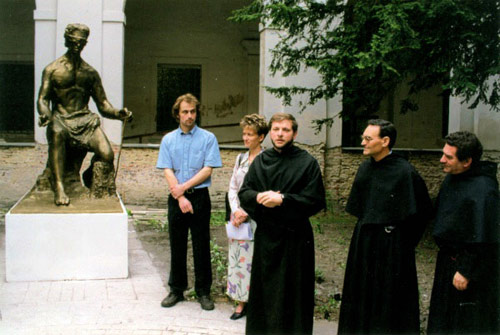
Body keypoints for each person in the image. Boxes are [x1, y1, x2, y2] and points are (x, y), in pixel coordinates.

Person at [338, 119, 432, 335]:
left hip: (392, 248)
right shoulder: (364, 168)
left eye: (368, 139)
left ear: (385, 141)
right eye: (363, 137)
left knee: (388, 303)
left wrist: (400, 242)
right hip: (363, 244)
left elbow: (421, 214)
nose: (362, 142)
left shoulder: (405, 172)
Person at [238, 112, 326, 335]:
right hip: (267, 236)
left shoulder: (307, 163)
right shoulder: (261, 161)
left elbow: (315, 200)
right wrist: (258, 197)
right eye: (276, 129)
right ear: (270, 133)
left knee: (294, 292)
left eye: (285, 130)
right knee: (266, 291)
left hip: (296, 238)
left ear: (294, 133)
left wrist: (283, 200)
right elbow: (245, 192)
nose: (280, 134)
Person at [37, 23, 132, 205]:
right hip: (61, 119)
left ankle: (88, 177)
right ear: (66, 40)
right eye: (74, 40)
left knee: (106, 154)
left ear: (85, 43)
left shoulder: (90, 73)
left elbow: (103, 104)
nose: (77, 45)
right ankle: (59, 187)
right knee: (55, 132)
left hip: (85, 121)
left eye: (81, 42)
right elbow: (42, 99)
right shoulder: (52, 69)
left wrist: (118, 113)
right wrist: (45, 114)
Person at [427, 131, 499, 334]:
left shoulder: (484, 190)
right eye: (443, 154)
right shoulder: (453, 178)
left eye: (448, 157)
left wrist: (466, 270)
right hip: (448, 263)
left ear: (467, 161)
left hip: (470, 270)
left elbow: (485, 236)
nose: (442, 160)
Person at [156, 93, 222, 311]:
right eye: (185, 112)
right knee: (177, 243)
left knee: (201, 244)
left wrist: (184, 189)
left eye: (193, 111)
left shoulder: (208, 138)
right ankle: (176, 290)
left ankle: (203, 292)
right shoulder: (168, 140)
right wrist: (181, 196)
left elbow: (208, 168)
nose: (189, 116)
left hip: (200, 196)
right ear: (178, 114)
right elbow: (167, 168)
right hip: (176, 199)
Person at [226, 114, 268, 320]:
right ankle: (241, 302)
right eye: (244, 133)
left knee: (256, 260)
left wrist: (247, 211)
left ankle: (259, 303)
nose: (245, 138)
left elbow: (266, 191)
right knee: (239, 261)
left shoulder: (268, 160)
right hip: (239, 219)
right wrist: (235, 210)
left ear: (261, 137)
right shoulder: (240, 158)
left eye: (250, 134)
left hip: (258, 217)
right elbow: (233, 187)